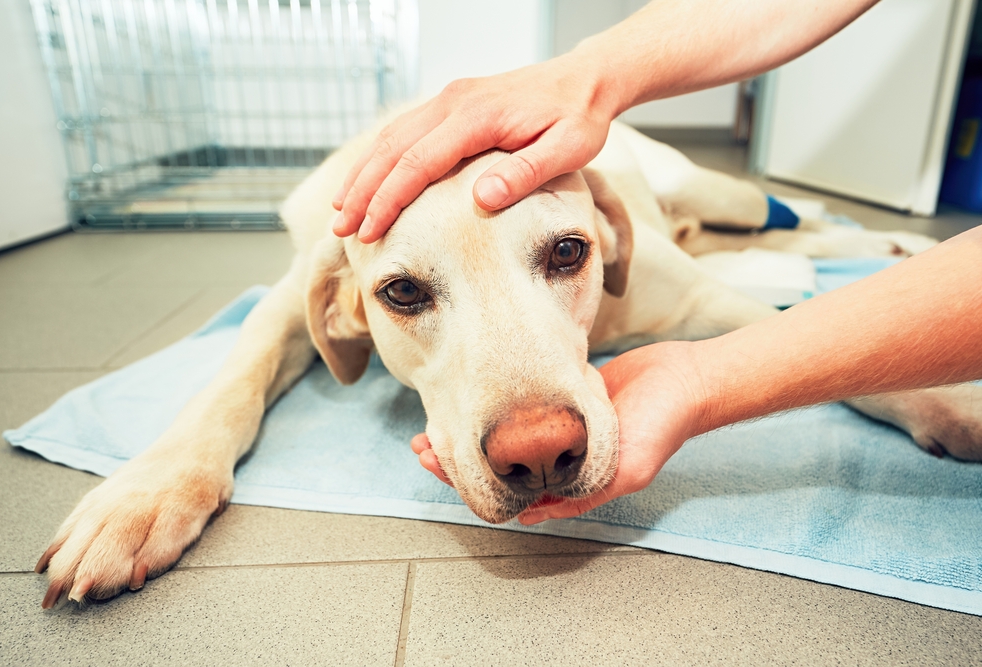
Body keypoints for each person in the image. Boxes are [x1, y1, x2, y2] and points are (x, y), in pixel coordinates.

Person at [334, 0, 982, 522]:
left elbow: (713, 304)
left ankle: (805, 225)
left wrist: (903, 391)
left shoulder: (609, 215)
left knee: (732, 202)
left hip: (645, 183)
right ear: (348, 309)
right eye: (407, 293)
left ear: (609, 240)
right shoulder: (343, 243)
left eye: (564, 253)